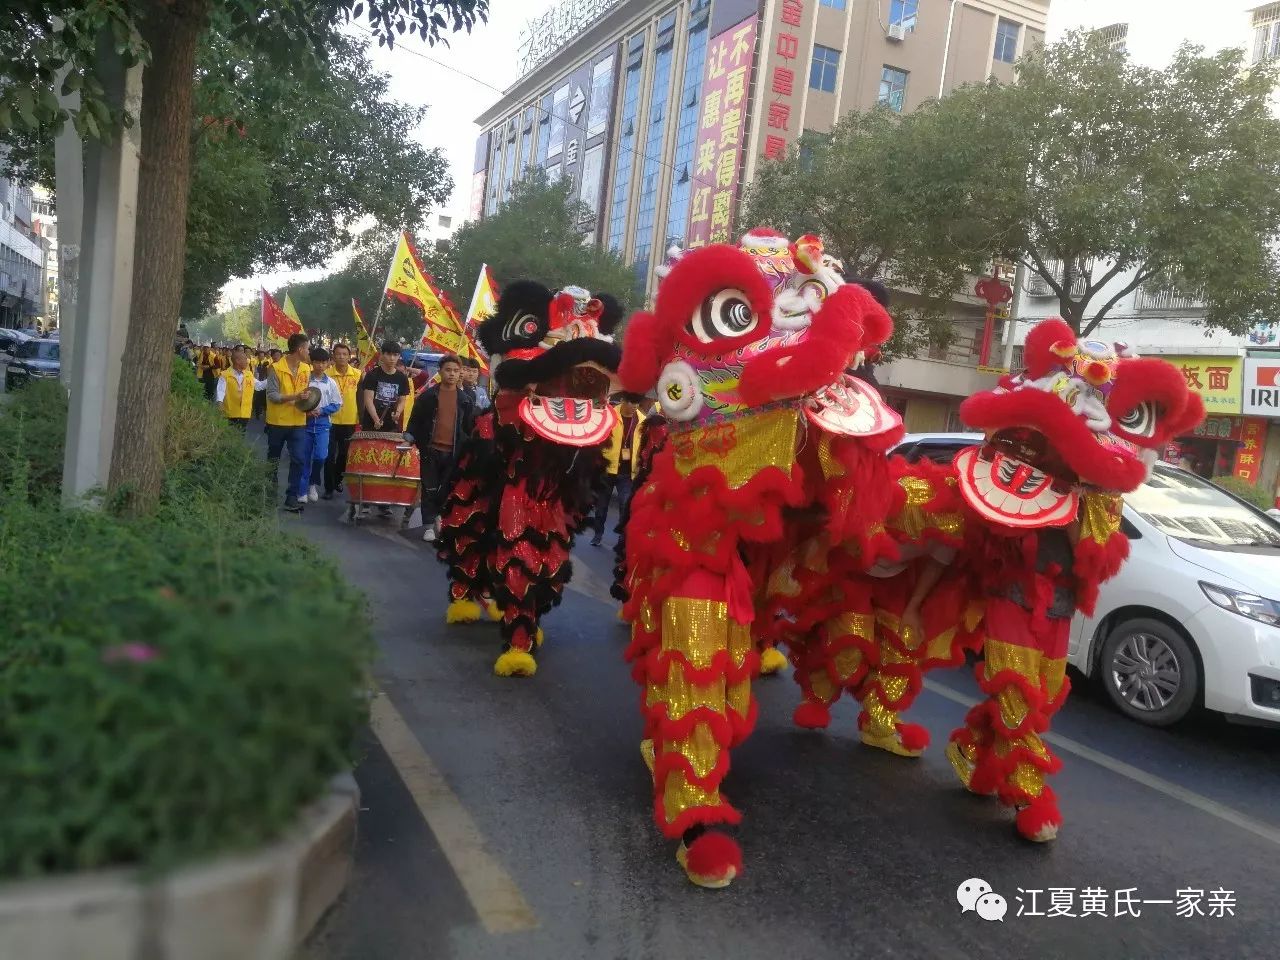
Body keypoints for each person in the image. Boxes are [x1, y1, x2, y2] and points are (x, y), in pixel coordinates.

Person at [407, 353, 474, 542]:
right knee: (429, 488)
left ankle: (440, 519)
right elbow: (415, 419)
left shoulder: (465, 399)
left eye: (455, 370)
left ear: (460, 373)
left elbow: (469, 427)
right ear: (440, 371)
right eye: (448, 370)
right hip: (430, 450)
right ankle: (428, 525)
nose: (452, 374)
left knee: (447, 488)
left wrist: (469, 446)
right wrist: (409, 437)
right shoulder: (429, 396)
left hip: (454, 452)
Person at [264, 333, 313, 513]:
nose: (309, 352)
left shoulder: (306, 369)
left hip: (298, 421)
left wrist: (309, 404)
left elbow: (306, 394)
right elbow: (272, 395)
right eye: (307, 349)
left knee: (299, 459)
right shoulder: (275, 368)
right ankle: (269, 495)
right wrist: (295, 397)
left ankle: (291, 497)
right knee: (273, 460)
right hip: (277, 421)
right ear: (300, 349)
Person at [590, 394, 644, 547]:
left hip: (628, 473)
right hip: (608, 469)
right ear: (622, 401)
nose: (634, 406)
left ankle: (622, 540)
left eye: (637, 403)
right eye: (631, 402)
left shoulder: (642, 420)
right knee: (601, 508)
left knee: (625, 506)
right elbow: (598, 437)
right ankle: (597, 535)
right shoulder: (609, 415)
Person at [299, 347, 344, 503]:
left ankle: (313, 483)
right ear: (312, 362)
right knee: (305, 458)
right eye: (317, 362)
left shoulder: (330, 383)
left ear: (328, 363)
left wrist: (323, 410)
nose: (320, 365)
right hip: (305, 424)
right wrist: (306, 412)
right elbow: (297, 401)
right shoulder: (305, 380)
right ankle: (302, 491)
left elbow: (337, 403)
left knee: (320, 457)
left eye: (323, 362)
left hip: (323, 425)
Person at [324, 342, 361, 500]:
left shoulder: (358, 374)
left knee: (345, 455)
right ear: (333, 356)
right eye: (338, 354)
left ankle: (338, 479)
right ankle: (328, 488)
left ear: (349, 356)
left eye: (344, 354)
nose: (341, 357)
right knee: (328, 455)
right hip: (329, 420)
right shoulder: (326, 374)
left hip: (350, 420)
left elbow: (362, 398)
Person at [359, 340, 411, 432]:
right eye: (388, 354)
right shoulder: (372, 375)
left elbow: (402, 400)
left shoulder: (402, 378)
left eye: (395, 355)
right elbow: (368, 400)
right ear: (382, 355)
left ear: (399, 356)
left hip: (391, 425)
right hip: (371, 423)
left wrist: (397, 413)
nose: (392, 358)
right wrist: (376, 419)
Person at [214, 344, 266, 430]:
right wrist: (219, 402)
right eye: (245, 359)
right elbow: (220, 390)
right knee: (231, 434)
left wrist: (273, 379)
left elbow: (259, 386)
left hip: (244, 413)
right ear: (237, 361)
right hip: (230, 413)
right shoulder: (225, 375)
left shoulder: (249, 374)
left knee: (241, 433)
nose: (247, 361)